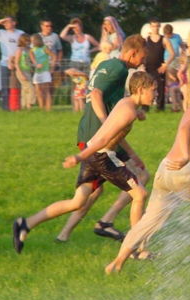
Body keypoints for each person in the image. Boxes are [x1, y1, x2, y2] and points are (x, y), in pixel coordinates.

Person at [104, 72, 190, 274]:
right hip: (183, 172)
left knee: (150, 219)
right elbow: (185, 129)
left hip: (165, 170)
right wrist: (185, 157)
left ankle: (118, 260)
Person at [13, 71, 155, 253]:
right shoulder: (128, 111)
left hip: (94, 154)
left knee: (78, 202)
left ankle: (25, 224)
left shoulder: (126, 104)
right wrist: (79, 157)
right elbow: (104, 139)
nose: (156, 93)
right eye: (153, 90)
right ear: (141, 90)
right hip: (103, 157)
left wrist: (132, 154)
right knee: (140, 194)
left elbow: (115, 133)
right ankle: (137, 249)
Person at [55, 35, 150, 242]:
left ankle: (64, 234)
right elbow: (97, 94)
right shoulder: (119, 68)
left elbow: (105, 97)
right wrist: (106, 122)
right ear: (133, 52)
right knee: (140, 178)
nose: (144, 60)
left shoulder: (109, 64)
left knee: (91, 192)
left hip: (94, 133)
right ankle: (108, 224)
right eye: (143, 55)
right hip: (99, 136)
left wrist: (132, 108)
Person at [0, 17, 24, 110]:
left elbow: (25, 46)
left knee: (17, 86)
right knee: (4, 86)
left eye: (8, 22)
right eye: (4, 23)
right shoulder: (1, 33)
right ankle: (5, 107)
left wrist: (16, 60)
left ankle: (17, 106)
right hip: (4, 63)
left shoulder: (20, 33)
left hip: (18, 63)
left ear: (14, 23)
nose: (5, 24)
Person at [142, 18, 175, 111]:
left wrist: (165, 65)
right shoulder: (146, 40)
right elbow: (142, 52)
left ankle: (160, 108)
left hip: (159, 67)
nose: (155, 28)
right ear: (150, 27)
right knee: (146, 87)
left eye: (157, 26)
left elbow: (172, 53)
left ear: (159, 27)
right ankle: (145, 107)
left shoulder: (163, 39)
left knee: (160, 88)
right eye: (153, 26)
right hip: (148, 67)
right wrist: (141, 65)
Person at [30, 34, 55, 111]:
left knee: (46, 90)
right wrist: (36, 65)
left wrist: (52, 67)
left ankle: (48, 108)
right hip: (37, 72)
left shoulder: (44, 48)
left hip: (45, 71)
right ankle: (41, 107)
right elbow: (33, 60)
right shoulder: (32, 50)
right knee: (38, 90)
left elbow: (53, 56)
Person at [39, 19, 63, 98]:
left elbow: (60, 50)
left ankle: (50, 104)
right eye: (47, 26)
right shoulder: (38, 36)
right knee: (42, 85)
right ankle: (43, 104)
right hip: (42, 65)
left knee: (52, 86)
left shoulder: (55, 36)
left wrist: (58, 62)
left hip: (53, 64)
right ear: (42, 26)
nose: (49, 28)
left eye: (50, 26)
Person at [163, 24, 185, 112]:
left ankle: (180, 104)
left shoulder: (177, 37)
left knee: (179, 84)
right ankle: (175, 106)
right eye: (167, 34)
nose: (169, 36)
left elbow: (182, 46)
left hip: (177, 62)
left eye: (170, 34)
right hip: (168, 62)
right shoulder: (163, 39)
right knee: (172, 85)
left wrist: (183, 56)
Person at [13, 34, 35, 110]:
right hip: (21, 71)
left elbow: (30, 61)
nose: (28, 42)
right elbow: (16, 63)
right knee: (30, 88)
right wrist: (20, 73)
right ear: (22, 41)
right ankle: (30, 104)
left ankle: (24, 106)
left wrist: (32, 68)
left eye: (29, 41)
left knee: (25, 89)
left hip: (27, 70)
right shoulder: (19, 50)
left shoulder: (28, 50)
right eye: (26, 41)